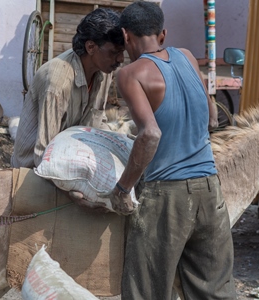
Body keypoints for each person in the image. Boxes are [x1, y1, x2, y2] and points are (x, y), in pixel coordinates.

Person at [104, 1, 236, 299]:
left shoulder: (129, 74)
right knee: (214, 290)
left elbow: (149, 135)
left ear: (125, 37)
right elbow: (212, 117)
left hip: (167, 196)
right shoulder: (187, 56)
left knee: (147, 290)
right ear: (162, 34)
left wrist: (123, 188)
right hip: (210, 191)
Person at [11, 8, 125, 169]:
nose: (120, 59)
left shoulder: (104, 71)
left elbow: (99, 121)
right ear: (91, 47)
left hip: (73, 154)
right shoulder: (58, 82)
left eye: (122, 52)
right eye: (114, 52)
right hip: (35, 167)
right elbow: (43, 153)